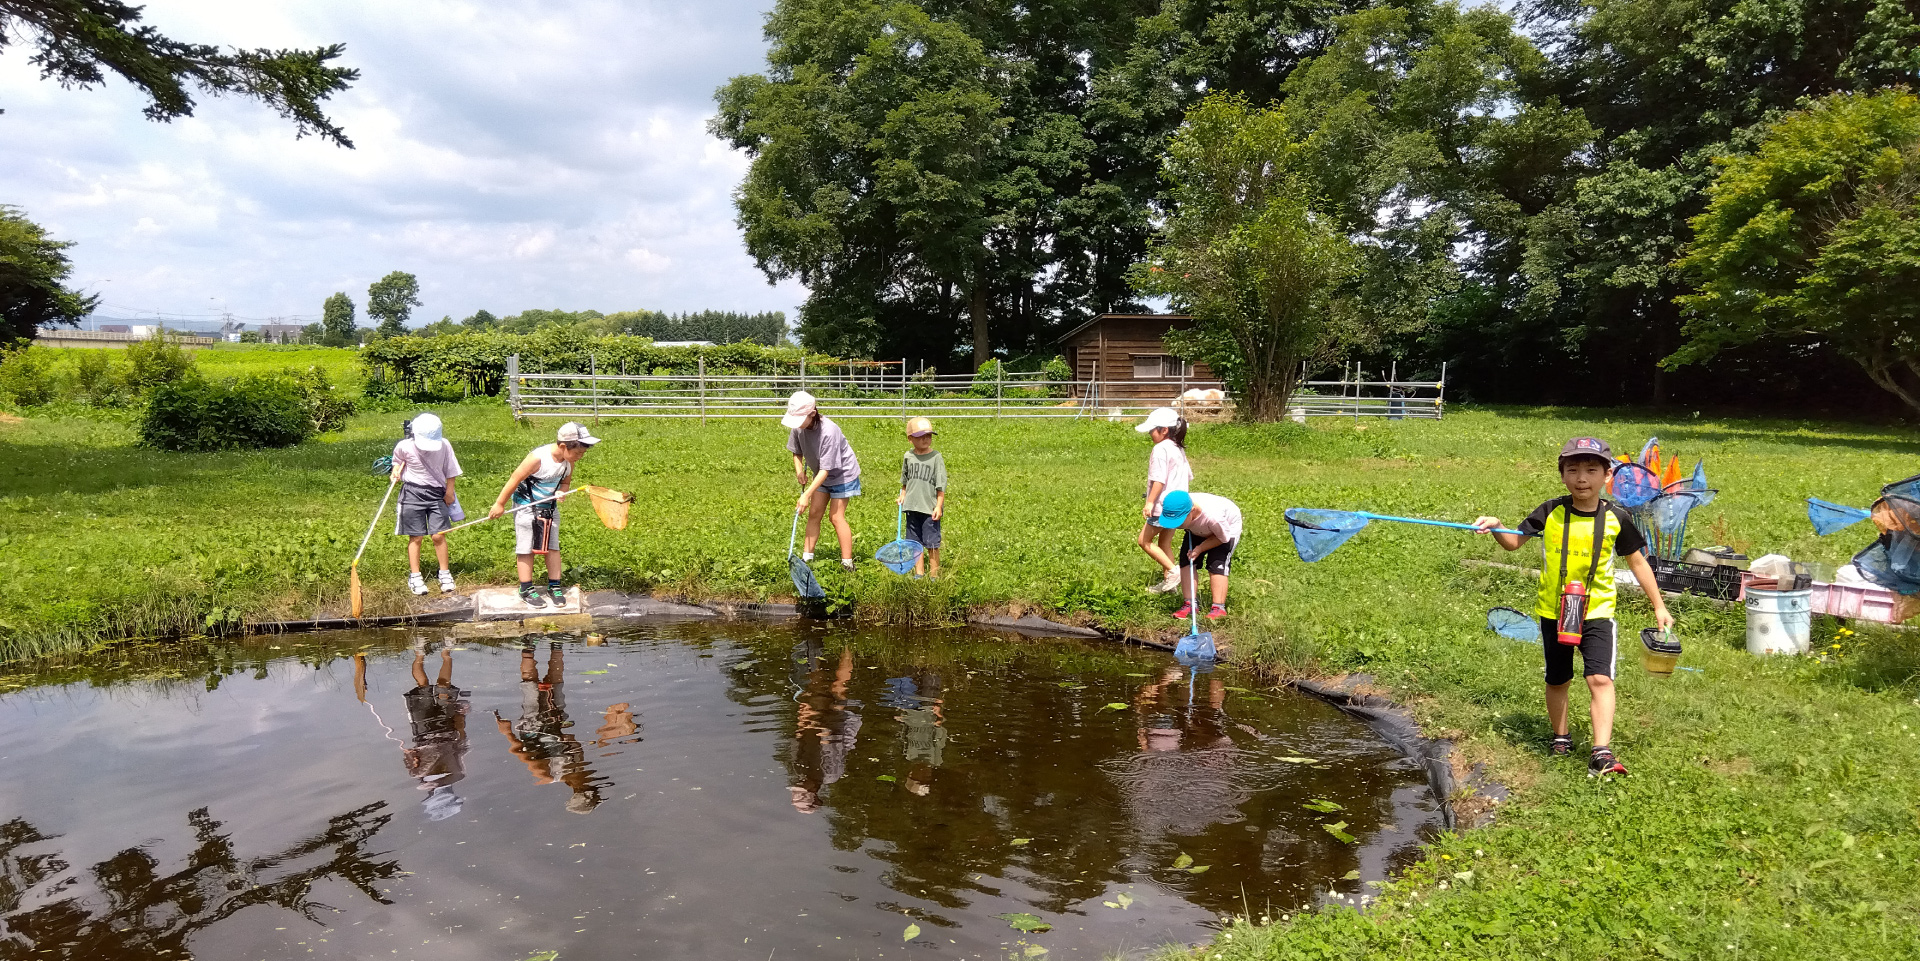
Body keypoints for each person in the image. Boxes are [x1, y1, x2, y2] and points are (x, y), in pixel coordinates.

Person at [1473, 436, 1674, 778]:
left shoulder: (1617, 518)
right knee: (1558, 678)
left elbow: (1638, 563)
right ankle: (1561, 737)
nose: (1583, 477)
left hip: (1597, 613)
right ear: (1562, 475)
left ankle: (1602, 751)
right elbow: (1512, 543)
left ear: (1606, 476)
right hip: (1554, 611)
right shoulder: (1549, 511)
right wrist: (1495, 527)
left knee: (1599, 678)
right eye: (1573, 469)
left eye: (1592, 470)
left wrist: (1659, 605)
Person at [488, 421, 600, 609]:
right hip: (525, 507)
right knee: (526, 547)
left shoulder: (568, 463)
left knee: (552, 546)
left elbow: (565, 482)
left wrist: (561, 491)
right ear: (563, 446)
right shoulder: (537, 458)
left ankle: (554, 585)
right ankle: (526, 588)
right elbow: (515, 479)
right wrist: (499, 504)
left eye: (583, 453)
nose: (580, 456)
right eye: (578, 452)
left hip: (549, 508)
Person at [783, 391, 861, 571]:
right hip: (821, 474)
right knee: (814, 514)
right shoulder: (798, 428)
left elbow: (827, 470)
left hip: (842, 475)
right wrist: (799, 471)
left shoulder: (829, 431)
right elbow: (796, 451)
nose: (797, 424)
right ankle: (806, 560)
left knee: (835, 517)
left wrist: (806, 495)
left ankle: (848, 563)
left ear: (812, 413)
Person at [390, 412, 463, 595]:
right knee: (416, 536)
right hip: (412, 494)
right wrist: (395, 471)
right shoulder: (404, 446)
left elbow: (450, 469)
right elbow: (397, 461)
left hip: (437, 494)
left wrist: (449, 491)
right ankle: (415, 576)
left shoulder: (444, 445)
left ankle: (444, 573)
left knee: (439, 534)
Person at [1154, 489, 1241, 621]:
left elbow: (1223, 538)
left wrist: (1200, 548)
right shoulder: (1170, 503)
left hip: (1224, 531)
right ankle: (1190, 604)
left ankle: (1218, 608)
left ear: (1192, 511)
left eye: (1179, 522)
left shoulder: (1214, 517)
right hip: (1197, 528)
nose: (1176, 527)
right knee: (1186, 560)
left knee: (1217, 563)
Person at [1136, 407, 1192, 594]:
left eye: (1152, 430)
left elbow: (1159, 480)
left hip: (1163, 506)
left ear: (1164, 430)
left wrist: (1150, 502)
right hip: (1178, 505)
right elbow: (1188, 477)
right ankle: (1170, 585)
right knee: (1164, 544)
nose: (1150, 434)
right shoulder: (1178, 448)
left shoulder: (1160, 449)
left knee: (1144, 541)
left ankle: (1174, 572)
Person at [895, 416, 947, 578]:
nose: (926, 439)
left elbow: (941, 485)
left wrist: (938, 505)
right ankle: (919, 574)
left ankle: (934, 576)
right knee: (914, 544)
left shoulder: (936, 458)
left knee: (932, 544)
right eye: (921, 436)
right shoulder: (908, 457)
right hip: (912, 507)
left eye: (929, 436)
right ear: (910, 439)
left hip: (929, 509)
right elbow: (905, 480)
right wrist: (903, 494)